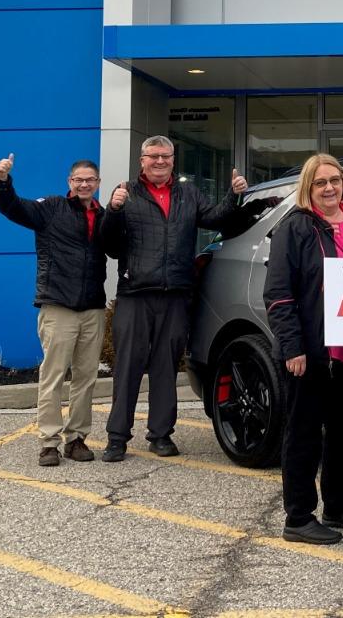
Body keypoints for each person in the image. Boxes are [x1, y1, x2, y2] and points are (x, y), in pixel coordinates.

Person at [98, 135, 272, 462]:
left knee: (166, 366)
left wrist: (234, 196)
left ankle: (161, 435)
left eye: (166, 156)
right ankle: (117, 438)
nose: (160, 161)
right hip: (136, 294)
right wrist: (114, 209)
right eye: (153, 156)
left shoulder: (188, 193)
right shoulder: (126, 193)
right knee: (128, 368)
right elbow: (109, 245)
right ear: (142, 160)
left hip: (175, 294)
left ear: (173, 160)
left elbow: (216, 218)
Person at [264, 153, 343, 545]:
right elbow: (279, 295)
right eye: (320, 183)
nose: (329, 188)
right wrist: (292, 347)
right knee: (303, 434)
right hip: (312, 353)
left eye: (334, 180)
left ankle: (336, 505)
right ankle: (298, 516)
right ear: (308, 188)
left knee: (341, 434)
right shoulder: (294, 228)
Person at [0, 155, 107, 467]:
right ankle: (49, 443)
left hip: (93, 307)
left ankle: (77, 439)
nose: (84, 184)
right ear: (70, 182)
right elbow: (13, 207)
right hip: (58, 305)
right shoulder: (51, 208)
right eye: (78, 180)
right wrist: (3, 182)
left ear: (97, 183)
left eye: (90, 180)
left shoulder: (102, 215)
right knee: (53, 376)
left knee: (85, 377)